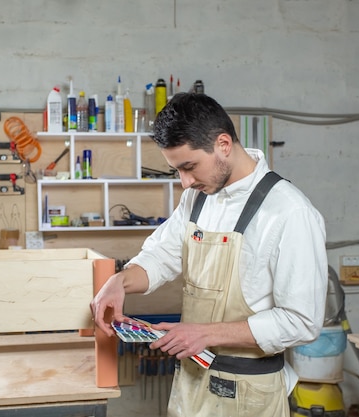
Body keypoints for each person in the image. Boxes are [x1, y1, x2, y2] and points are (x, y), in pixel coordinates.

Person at [90, 92, 328, 417]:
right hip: (192, 385)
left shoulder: (289, 212)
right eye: (176, 170)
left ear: (223, 145)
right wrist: (121, 281)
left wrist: (205, 333)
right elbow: (161, 256)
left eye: (189, 167)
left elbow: (301, 322)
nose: (185, 182)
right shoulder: (199, 198)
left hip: (249, 394)